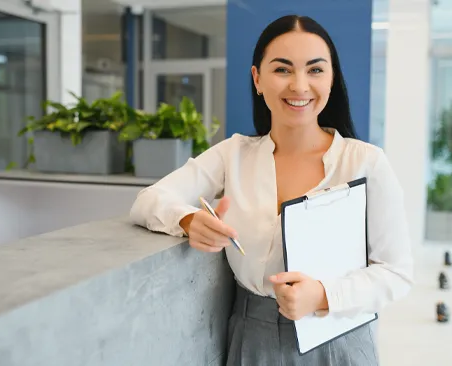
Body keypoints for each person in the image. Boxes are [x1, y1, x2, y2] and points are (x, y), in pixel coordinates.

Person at [130, 14, 413, 366]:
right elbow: (149, 200)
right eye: (282, 69)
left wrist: (325, 295)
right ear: (257, 78)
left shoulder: (366, 163)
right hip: (253, 338)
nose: (299, 85)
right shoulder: (232, 154)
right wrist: (188, 219)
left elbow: (397, 273)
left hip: (337, 340)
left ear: (332, 78)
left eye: (315, 70)